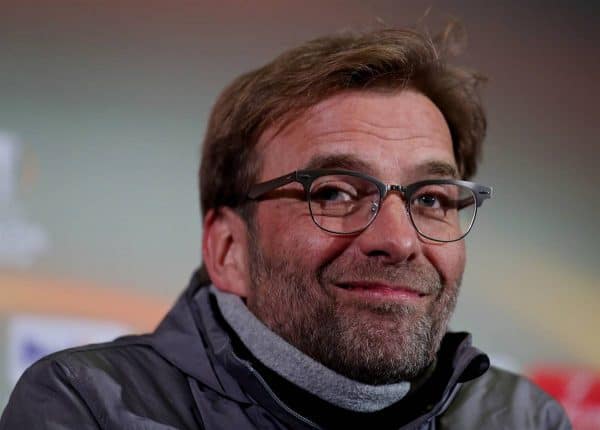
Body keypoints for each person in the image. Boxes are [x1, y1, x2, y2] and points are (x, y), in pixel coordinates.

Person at [1, 26, 571, 430]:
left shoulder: (526, 417)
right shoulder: (85, 408)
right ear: (228, 249)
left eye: (430, 198)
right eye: (335, 192)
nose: (398, 240)